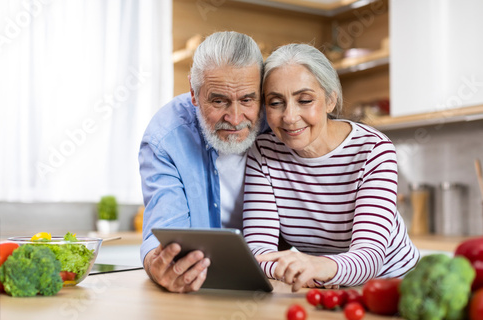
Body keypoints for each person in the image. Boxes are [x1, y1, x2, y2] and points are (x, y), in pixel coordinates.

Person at [243, 43, 420, 292]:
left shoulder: (373, 150)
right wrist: (304, 270)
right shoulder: (263, 151)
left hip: (394, 287)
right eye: (275, 103)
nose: (290, 116)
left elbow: (369, 257)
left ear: (330, 100)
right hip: (325, 286)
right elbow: (257, 252)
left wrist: (318, 268)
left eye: (304, 100)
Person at [139, 31, 264, 293]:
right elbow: (163, 230)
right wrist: (157, 265)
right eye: (218, 101)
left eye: (247, 100)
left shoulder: (280, 125)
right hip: (202, 288)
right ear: (194, 94)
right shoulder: (166, 137)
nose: (235, 117)